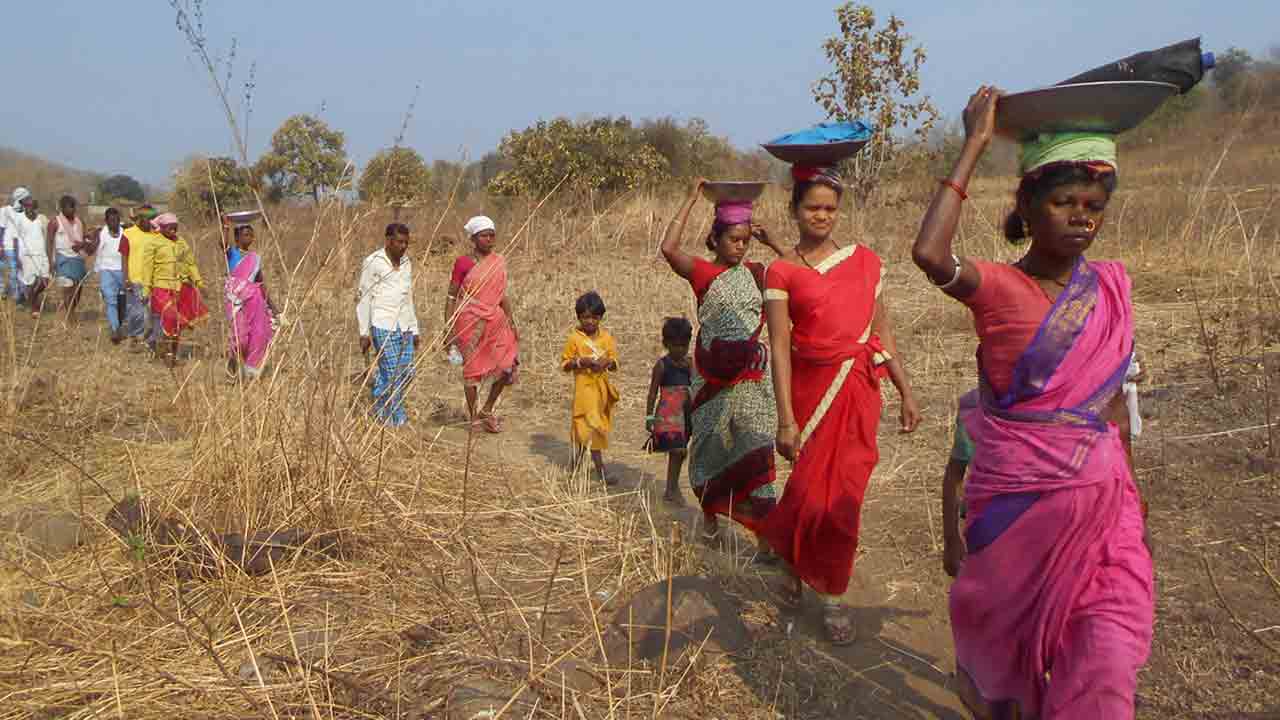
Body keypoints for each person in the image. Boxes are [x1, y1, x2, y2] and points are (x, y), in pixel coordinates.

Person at [911, 86, 1152, 717]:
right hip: (1018, 508)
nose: (1081, 216)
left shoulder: (1109, 289)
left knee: (1107, 657)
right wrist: (974, 145)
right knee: (1009, 670)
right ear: (1026, 204)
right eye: (1063, 201)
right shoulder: (998, 286)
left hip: (1104, 512)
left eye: (1094, 205)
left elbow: (1111, 413)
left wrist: (1127, 495)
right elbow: (929, 254)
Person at [757, 163, 921, 645]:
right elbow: (780, 346)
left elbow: (880, 332)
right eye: (813, 207)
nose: (823, 216)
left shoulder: (866, 262)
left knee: (843, 501)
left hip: (858, 394)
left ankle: (831, 593)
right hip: (811, 396)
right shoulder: (781, 271)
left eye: (830, 208)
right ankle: (791, 556)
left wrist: (904, 388)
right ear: (795, 210)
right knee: (809, 493)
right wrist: (785, 419)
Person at [659, 179, 785, 545]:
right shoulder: (702, 273)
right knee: (710, 448)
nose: (741, 247)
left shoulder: (758, 273)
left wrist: (773, 240)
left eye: (746, 240)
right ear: (715, 239)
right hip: (712, 380)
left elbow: (801, 273)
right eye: (734, 239)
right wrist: (690, 198)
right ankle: (711, 518)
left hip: (751, 382)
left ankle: (766, 538)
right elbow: (668, 248)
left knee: (756, 450)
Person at [445, 216, 519, 432]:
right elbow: (451, 296)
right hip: (468, 321)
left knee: (508, 366)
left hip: (496, 319)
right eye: (484, 236)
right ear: (474, 238)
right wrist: (448, 328)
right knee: (472, 370)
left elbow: (501, 294)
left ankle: (486, 409)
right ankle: (473, 417)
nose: (489, 239)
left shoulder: (498, 261)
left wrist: (511, 320)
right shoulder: (463, 263)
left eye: (491, 235)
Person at [356, 223, 419, 427]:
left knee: (407, 371)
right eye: (399, 242)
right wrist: (364, 332)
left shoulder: (407, 262)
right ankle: (396, 418)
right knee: (391, 372)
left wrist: (415, 328)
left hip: (405, 325)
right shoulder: (373, 262)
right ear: (388, 241)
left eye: (406, 243)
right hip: (382, 323)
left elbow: (408, 297)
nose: (403, 247)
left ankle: (380, 405)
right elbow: (364, 297)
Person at [560, 291, 619, 485]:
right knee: (584, 431)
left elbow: (614, 361)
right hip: (584, 393)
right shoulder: (574, 339)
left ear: (601, 317)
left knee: (594, 432)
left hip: (601, 392)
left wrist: (606, 363)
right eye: (586, 317)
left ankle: (575, 469)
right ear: (578, 317)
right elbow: (565, 364)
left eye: (595, 317)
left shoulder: (607, 338)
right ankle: (599, 470)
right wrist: (580, 362)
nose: (590, 322)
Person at [138, 213, 207, 364]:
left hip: (179, 288)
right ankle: (163, 352)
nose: (174, 231)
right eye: (171, 228)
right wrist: (145, 290)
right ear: (162, 228)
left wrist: (199, 282)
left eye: (176, 228)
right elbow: (147, 268)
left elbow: (190, 264)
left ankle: (171, 356)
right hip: (160, 288)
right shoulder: (153, 243)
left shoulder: (181, 243)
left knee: (175, 326)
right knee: (170, 317)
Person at [644, 317, 694, 504]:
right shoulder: (662, 365)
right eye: (675, 345)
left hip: (687, 413)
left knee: (681, 452)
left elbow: (696, 385)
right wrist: (649, 417)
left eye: (683, 345)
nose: (679, 350)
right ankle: (672, 489)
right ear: (666, 344)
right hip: (668, 415)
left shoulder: (690, 364)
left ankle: (671, 488)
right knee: (678, 450)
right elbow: (652, 393)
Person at [221, 219, 278, 379]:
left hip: (255, 302)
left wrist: (274, 310)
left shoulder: (255, 258)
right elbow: (222, 243)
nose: (250, 238)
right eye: (246, 234)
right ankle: (233, 362)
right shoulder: (231, 253)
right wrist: (225, 226)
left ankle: (249, 372)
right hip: (236, 301)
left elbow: (261, 284)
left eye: (251, 234)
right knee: (240, 338)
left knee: (258, 334)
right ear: (237, 238)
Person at [46, 195, 90, 319]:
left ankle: (71, 308)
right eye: (70, 207)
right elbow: (49, 242)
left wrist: (88, 240)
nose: (72, 210)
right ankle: (70, 315)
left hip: (78, 258)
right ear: (62, 208)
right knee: (67, 288)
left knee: (78, 289)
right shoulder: (54, 222)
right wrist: (51, 261)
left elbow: (85, 237)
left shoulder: (79, 221)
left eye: (73, 207)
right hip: (63, 258)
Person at [124, 206, 161, 349]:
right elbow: (124, 256)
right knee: (136, 312)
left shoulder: (157, 235)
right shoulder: (128, 234)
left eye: (153, 219)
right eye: (147, 219)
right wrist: (126, 278)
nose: (150, 222)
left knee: (151, 312)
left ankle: (150, 339)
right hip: (135, 279)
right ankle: (133, 336)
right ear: (139, 219)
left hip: (152, 281)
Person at [91, 208, 130, 343]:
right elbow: (97, 251)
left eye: (116, 220)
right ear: (106, 221)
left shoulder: (126, 232)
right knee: (110, 299)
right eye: (111, 220)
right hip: (107, 270)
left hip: (122, 270)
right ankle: (114, 329)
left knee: (123, 300)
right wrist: (97, 269)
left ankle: (121, 325)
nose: (114, 223)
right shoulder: (102, 234)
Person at [0, 188, 27, 304]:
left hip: (22, 248)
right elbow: (1, 229)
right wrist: (0, 246)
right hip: (8, 246)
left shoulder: (27, 213)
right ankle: (12, 296)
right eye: (26, 198)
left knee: (19, 273)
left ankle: (19, 296)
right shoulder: (5, 211)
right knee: (10, 272)